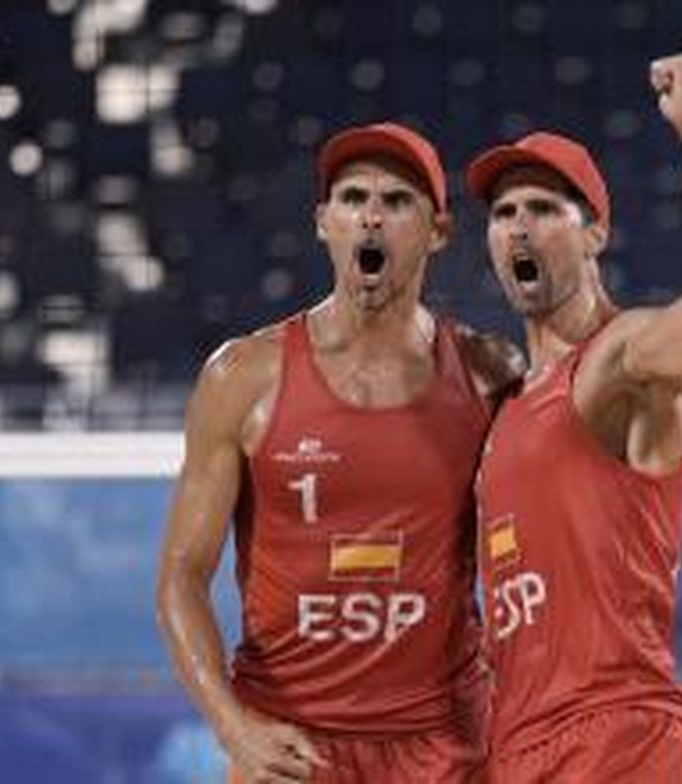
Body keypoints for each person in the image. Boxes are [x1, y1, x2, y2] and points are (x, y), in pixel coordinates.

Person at [155, 122, 523, 783]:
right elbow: (181, 575)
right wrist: (232, 726)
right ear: (324, 223)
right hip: (289, 745)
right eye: (353, 198)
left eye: (397, 200)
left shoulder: (490, 374)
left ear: (438, 231)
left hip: (445, 746)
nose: (371, 216)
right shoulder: (242, 376)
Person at [463, 52, 682, 783]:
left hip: (614, 733)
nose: (519, 227)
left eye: (544, 209)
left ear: (595, 233)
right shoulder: (502, 405)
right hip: (514, 745)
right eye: (503, 213)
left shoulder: (623, 357)